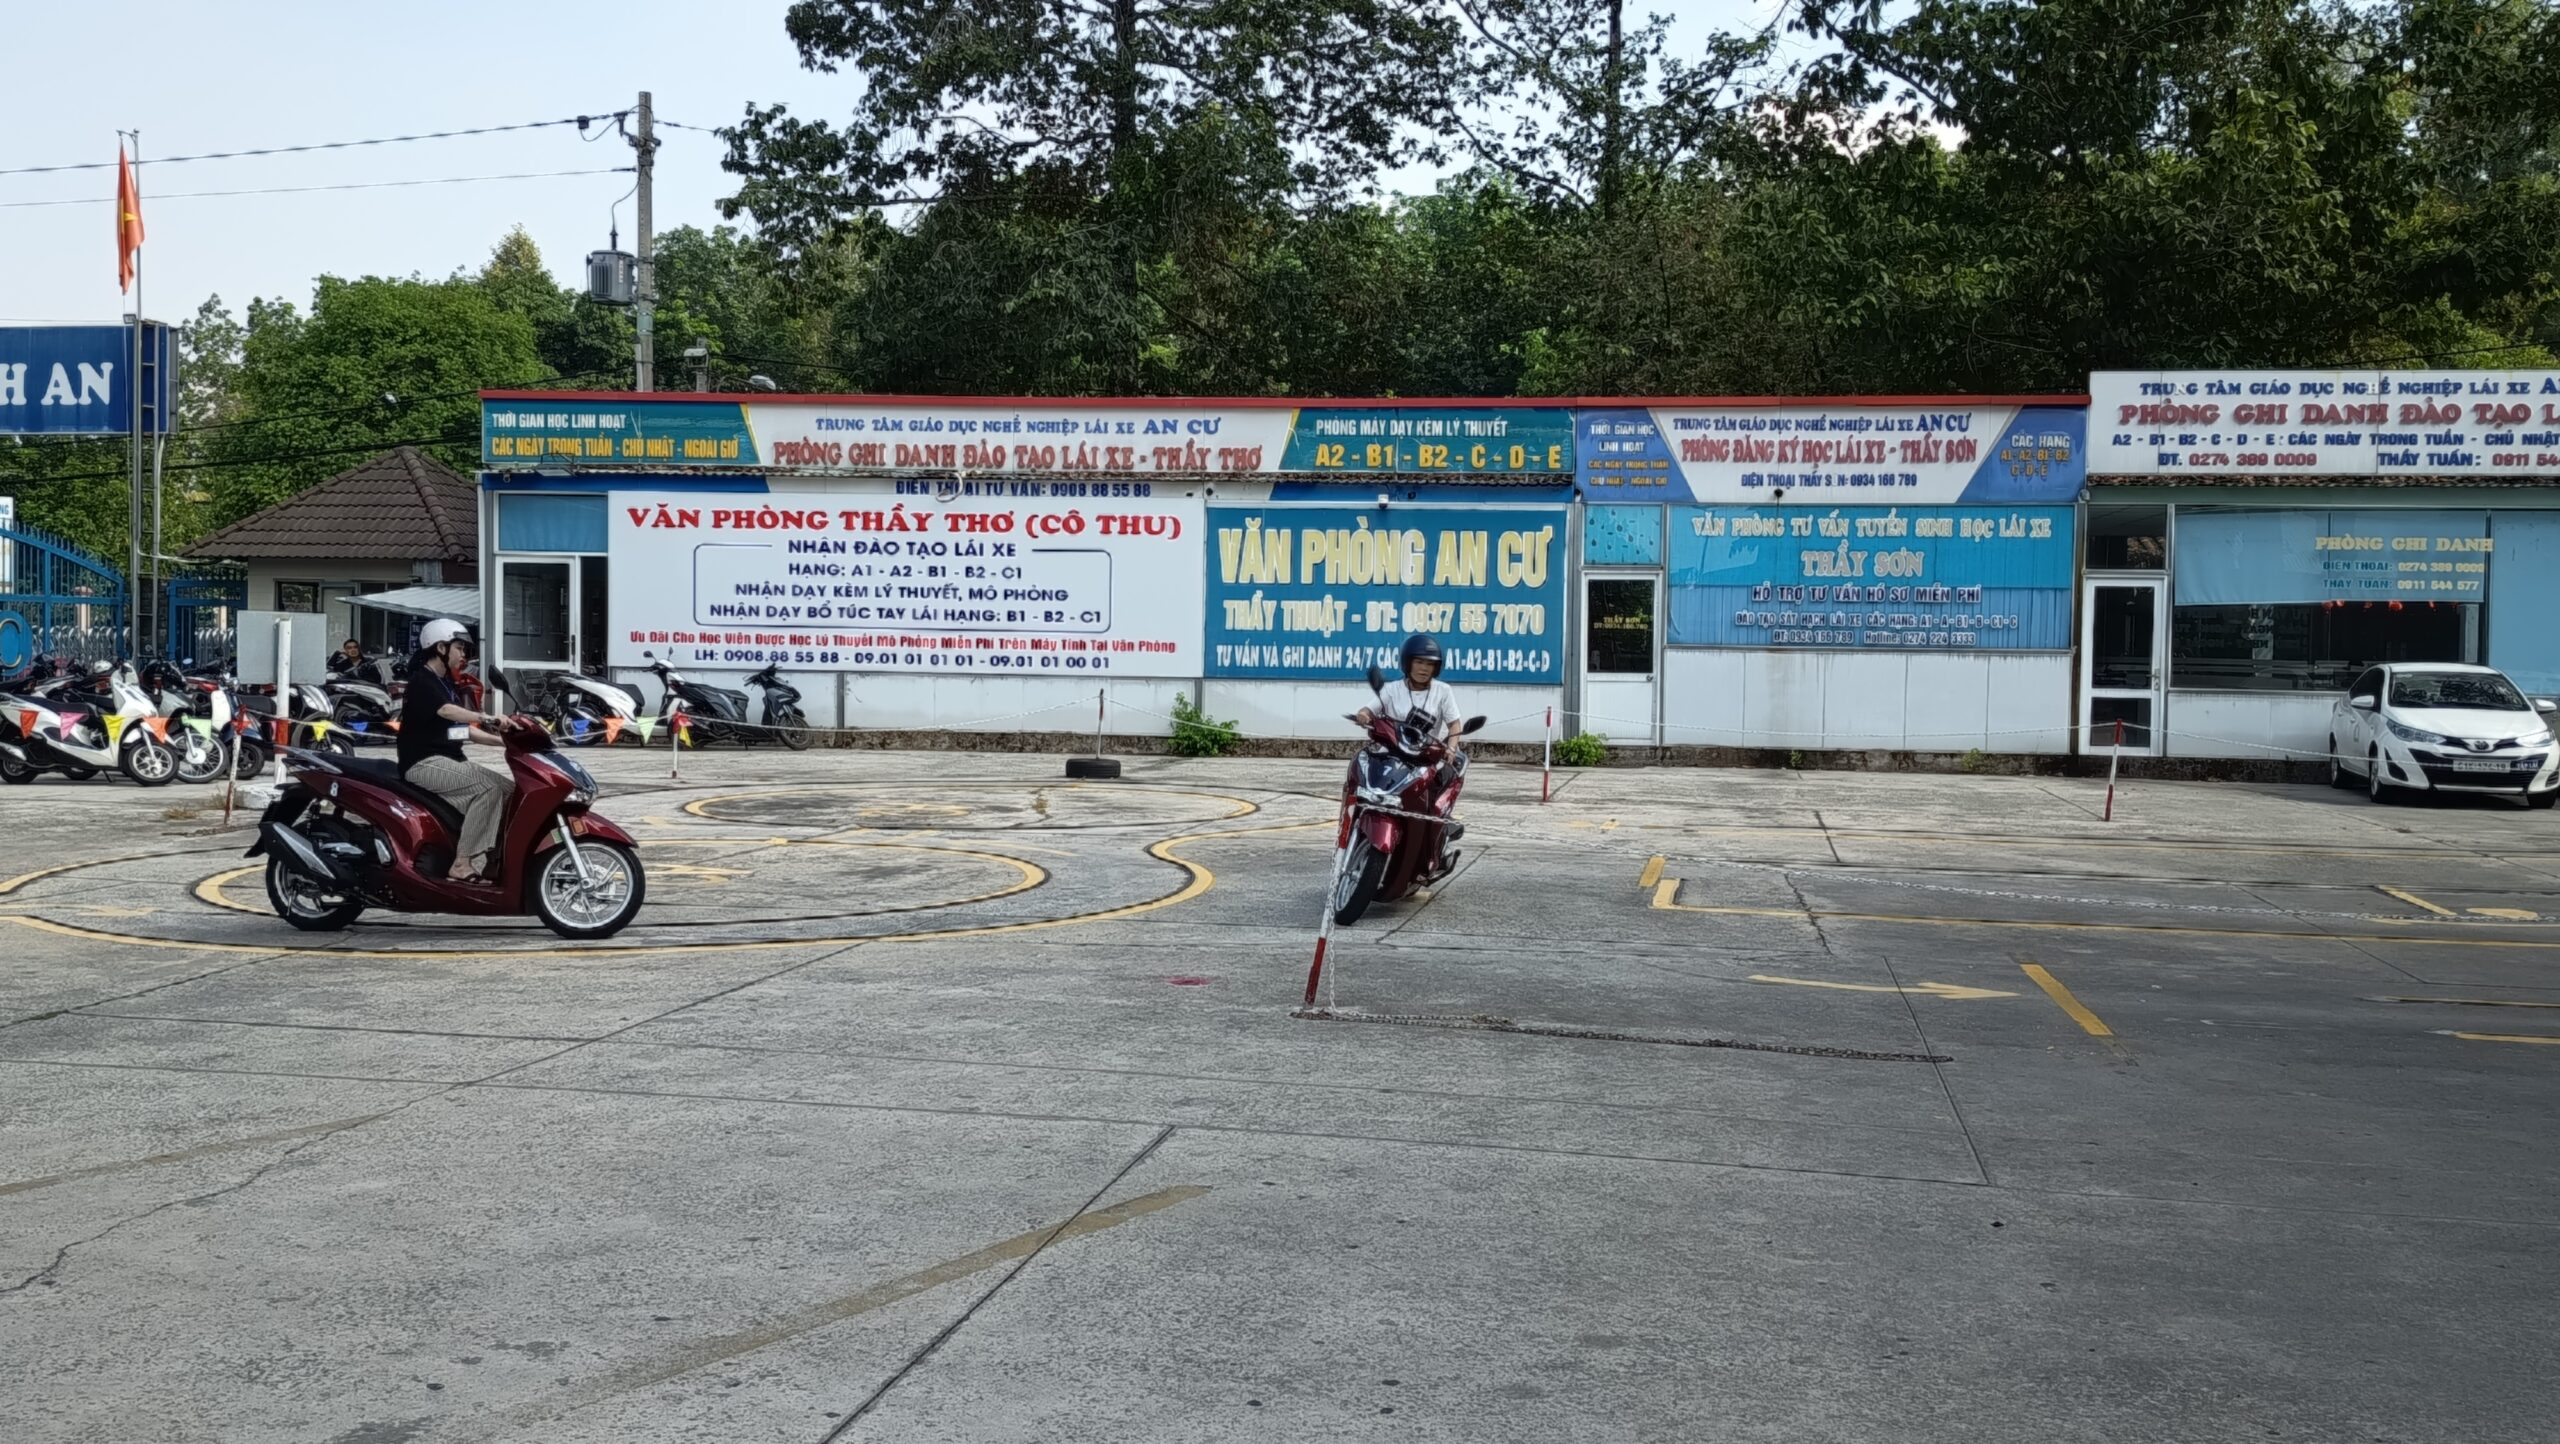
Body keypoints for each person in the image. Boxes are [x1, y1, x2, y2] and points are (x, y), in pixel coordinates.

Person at [399, 618, 511, 885]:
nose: (464, 655)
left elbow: (460, 730)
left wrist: (504, 742)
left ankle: (497, 860)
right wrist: (487, 718)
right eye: (459, 648)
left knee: (509, 791)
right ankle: (461, 864)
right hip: (422, 763)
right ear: (441, 647)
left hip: (449, 759)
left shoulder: (447, 684)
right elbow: (447, 712)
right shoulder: (423, 681)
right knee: (487, 790)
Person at [1358, 633, 1464, 750]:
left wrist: (1451, 748)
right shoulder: (1392, 689)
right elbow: (1367, 711)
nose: (1424, 668)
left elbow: (1454, 724)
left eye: (1430, 664)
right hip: (1394, 752)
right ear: (1408, 664)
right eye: (1419, 662)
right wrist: (1363, 716)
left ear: (1435, 668)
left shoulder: (1443, 690)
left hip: (1428, 754)